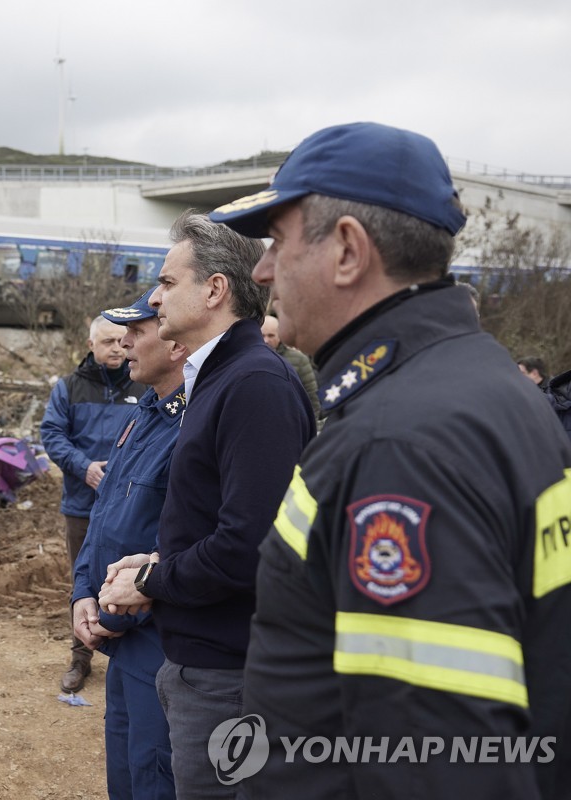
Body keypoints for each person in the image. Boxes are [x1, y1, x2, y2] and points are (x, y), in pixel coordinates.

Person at [207, 121, 571, 798]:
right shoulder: (486, 384)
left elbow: (442, 765)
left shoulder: (397, 444)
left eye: (278, 243)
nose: (261, 271)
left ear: (347, 250)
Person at [97, 212, 315, 799]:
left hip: (227, 671)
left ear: (215, 289)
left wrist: (153, 576)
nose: (154, 297)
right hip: (204, 659)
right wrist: (156, 558)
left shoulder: (253, 384)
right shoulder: (222, 378)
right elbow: (222, 518)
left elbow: (252, 547)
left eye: (167, 284)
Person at [71, 287, 187, 800]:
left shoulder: (192, 424)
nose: (125, 344)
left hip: (153, 637)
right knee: (124, 770)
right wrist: (81, 593)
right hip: (117, 630)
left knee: (153, 774)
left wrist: (111, 615)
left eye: (137, 332)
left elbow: (176, 541)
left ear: (176, 345)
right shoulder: (144, 412)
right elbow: (104, 520)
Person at [40, 315, 146, 692]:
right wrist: (84, 468)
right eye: (107, 343)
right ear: (91, 346)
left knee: (131, 578)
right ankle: (80, 656)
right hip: (82, 503)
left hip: (131, 507)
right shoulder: (68, 387)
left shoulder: (143, 383)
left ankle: (128, 653)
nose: (117, 348)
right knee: (82, 580)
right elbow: (51, 434)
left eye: (122, 340)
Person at [260, 314, 320, 419]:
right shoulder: (251, 360)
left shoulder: (299, 360)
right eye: (262, 336)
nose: (266, 341)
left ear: (279, 336)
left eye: (271, 335)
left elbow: (312, 398)